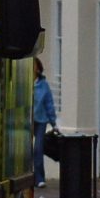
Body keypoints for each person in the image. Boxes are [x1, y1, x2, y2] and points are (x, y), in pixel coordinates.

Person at [33, 57, 58, 188]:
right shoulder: (24, 83)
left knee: (38, 148)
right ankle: (30, 176)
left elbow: (49, 103)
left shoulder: (43, 85)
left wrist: (53, 122)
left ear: (38, 69)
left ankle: (39, 178)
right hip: (26, 121)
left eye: (34, 66)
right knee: (26, 150)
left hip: (40, 120)